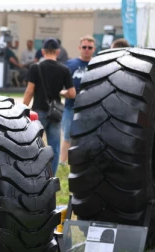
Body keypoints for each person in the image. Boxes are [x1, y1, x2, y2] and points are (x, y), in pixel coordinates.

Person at [23, 38, 75, 175]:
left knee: (35, 146)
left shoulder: (35, 67)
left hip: (38, 111)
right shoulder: (64, 69)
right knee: (54, 147)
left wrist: (22, 109)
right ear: (58, 52)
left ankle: (35, 174)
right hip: (56, 113)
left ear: (42, 52)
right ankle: (50, 176)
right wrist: (61, 92)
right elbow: (72, 93)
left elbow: (29, 91)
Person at [61, 35, 96, 166]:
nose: (87, 49)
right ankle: (62, 164)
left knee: (89, 137)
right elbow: (61, 86)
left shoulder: (98, 64)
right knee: (67, 137)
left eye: (90, 47)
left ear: (94, 49)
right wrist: (65, 93)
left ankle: (85, 163)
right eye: (84, 47)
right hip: (71, 107)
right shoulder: (70, 65)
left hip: (91, 107)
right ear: (79, 48)